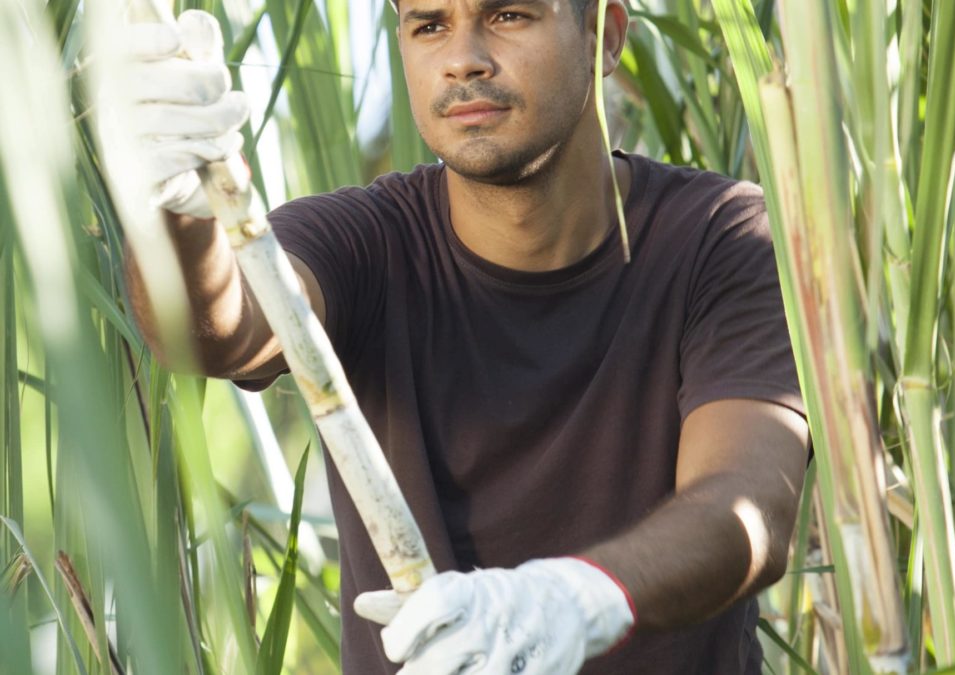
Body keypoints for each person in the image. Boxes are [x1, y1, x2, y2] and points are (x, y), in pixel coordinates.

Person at [122, 0, 810, 672]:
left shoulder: (724, 239)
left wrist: (573, 598)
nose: (462, 61)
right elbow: (217, 331)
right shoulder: (365, 240)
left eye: (508, 16)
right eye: (429, 24)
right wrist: (177, 208)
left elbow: (748, 505)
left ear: (603, 35)